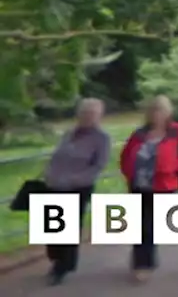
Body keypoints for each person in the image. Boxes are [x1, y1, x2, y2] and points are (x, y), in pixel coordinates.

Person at [119, 95, 178, 283]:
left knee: (150, 227)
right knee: (140, 227)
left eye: (160, 110)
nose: (156, 114)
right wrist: (129, 173)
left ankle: (144, 264)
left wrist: (174, 166)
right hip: (139, 185)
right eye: (153, 110)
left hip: (164, 186)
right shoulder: (139, 134)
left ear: (168, 112)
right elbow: (125, 155)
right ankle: (142, 263)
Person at [42, 98, 110, 285]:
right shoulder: (69, 133)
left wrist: (73, 180)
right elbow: (56, 156)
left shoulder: (101, 138)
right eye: (84, 112)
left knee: (68, 228)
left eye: (92, 113)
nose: (87, 116)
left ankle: (62, 267)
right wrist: (48, 173)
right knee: (51, 225)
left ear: (98, 116)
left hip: (78, 187)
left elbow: (99, 165)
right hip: (54, 185)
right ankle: (55, 258)